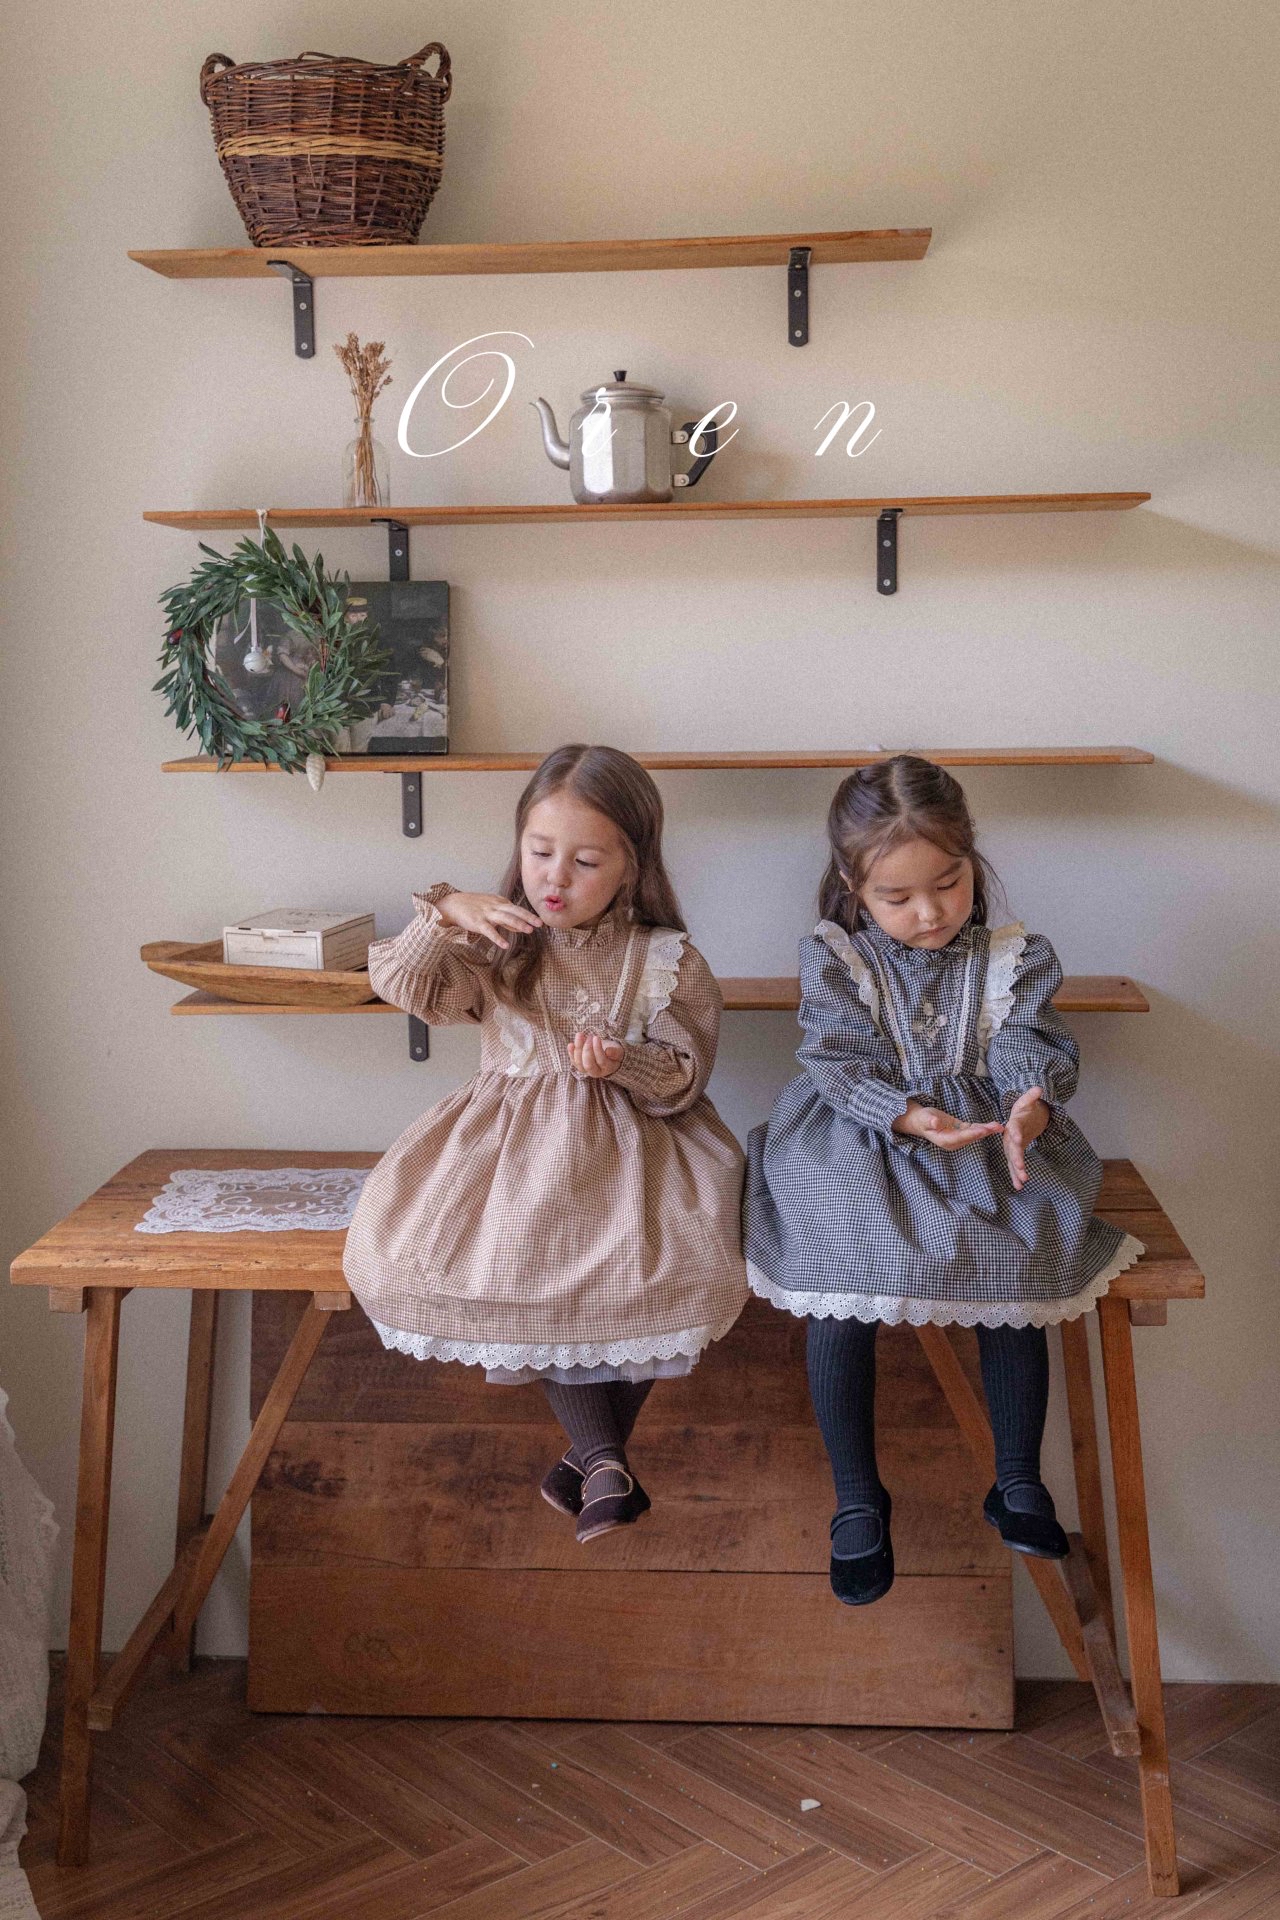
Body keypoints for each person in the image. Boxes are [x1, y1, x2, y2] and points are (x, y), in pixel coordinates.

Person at [744, 755, 1143, 1605]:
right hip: (860, 1140)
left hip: (984, 1140)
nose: (928, 913)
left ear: (972, 862)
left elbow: (1027, 1044)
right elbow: (836, 1059)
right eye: (898, 896)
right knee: (839, 1284)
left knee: (1018, 1250)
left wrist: (1030, 1105)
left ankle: (1017, 1476)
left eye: (948, 884)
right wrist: (907, 1114)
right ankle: (857, 1497)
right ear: (853, 886)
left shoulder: (1012, 958)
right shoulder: (837, 959)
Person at [344, 744, 748, 1542]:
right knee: (520, 1265)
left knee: (691, 1266)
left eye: (586, 862)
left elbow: (681, 1077)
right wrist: (444, 912)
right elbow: (404, 987)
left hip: (637, 1156)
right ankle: (602, 1461)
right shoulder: (498, 940)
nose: (555, 877)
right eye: (539, 853)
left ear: (632, 868)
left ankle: (594, 1462)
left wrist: (621, 1062)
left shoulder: (667, 959)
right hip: (509, 1159)